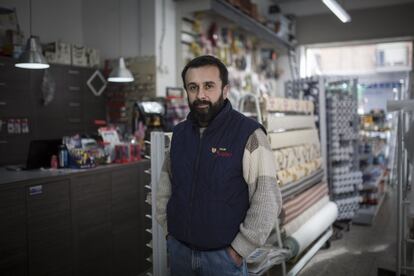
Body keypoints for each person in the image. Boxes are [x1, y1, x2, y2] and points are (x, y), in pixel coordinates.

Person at [156, 55, 282, 276]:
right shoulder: (180, 134)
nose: (200, 95)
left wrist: (238, 250)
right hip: (180, 253)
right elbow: (165, 186)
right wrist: (168, 232)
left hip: (223, 260)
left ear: (225, 90)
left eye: (209, 86)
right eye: (193, 87)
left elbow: (267, 201)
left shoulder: (249, 134)